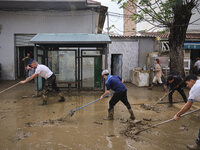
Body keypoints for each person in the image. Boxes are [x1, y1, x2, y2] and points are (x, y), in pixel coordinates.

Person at [173, 74, 200, 150]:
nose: (187, 86)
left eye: (187, 83)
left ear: (192, 81)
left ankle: (198, 146)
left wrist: (177, 115)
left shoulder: (195, 88)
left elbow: (187, 106)